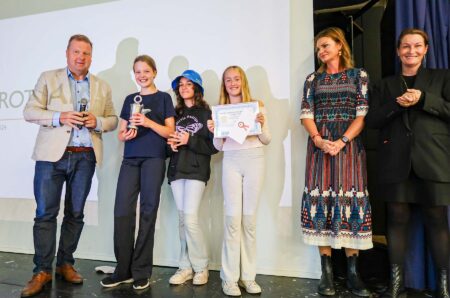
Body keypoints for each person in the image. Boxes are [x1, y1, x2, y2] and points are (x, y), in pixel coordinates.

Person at [21, 34, 118, 297]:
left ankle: (65, 263)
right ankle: (41, 270)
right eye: (76, 52)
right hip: (51, 157)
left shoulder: (102, 86)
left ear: (91, 57)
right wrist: (58, 116)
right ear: (67, 53)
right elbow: (29, 111)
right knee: (45, 214)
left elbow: (112, 120)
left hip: (85, 156)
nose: (80, 57)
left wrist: (96, 121)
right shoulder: (47, 78)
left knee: (75, 214)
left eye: (86, 53)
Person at [366, 28, 450, 298]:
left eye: (417, 46)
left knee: (437, 219)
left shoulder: (442, 78)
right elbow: (373, 121)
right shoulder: (384, 84)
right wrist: (398, 104)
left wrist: (423, 99)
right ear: (398, 50)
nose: (411, 51)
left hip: (434, 160)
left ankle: (444, 288)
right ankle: (396, 286)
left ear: (426, 49)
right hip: (395, 162)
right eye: (405, 46)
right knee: (397, 219)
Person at [299, 27, 372, 297]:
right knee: (322, 202)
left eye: (326, 45)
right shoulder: (312, 80)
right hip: (319, 149)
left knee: (349, 201)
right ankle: (326, 274)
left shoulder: (358, 75)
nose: (322, 51)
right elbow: (306, 114)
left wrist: (341, 141)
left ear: (340, 46)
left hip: (349, 148)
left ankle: (353, 274)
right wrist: (319, 139)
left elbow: (362, 116)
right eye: (319, 48)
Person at [100, 55, 175, 290]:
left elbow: (169, 132)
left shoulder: (164, 98)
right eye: (138, 72)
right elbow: (121, 133)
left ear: (154, 72)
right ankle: (123, 270)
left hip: (154, 159)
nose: (142, 75)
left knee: (148, 212)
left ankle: (141, 271)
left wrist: (148, 122)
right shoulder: (130, 99)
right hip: (130, 159)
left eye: (146, 71)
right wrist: (127, 135)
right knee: (122, 211)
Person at [207, 65, 271, 296]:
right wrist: (214, 130)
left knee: (249, 222)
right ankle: (230, 278)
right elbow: (218, 146)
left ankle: (249, 277)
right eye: (228, 80)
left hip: (254, 159)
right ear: (224, 84)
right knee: (232, 221)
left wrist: (261, 124)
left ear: (242, 81)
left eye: (236, 79)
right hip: (231, 161)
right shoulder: (220, 111)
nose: (232, 83)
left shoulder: (257, 106)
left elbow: (267, 139)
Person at [166, 70, 218, 286]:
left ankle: (200, 267)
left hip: (197, 172)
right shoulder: (174, 114)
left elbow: (214, 147)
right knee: (182, 220)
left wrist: (190, 139)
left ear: (197, 88)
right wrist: (171, 145)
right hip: (177, 170)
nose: (184, 87)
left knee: (190, 219)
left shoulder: (207, 114)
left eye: (189, 84)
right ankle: (185, 266)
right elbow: (168, 144)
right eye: (181, 85)